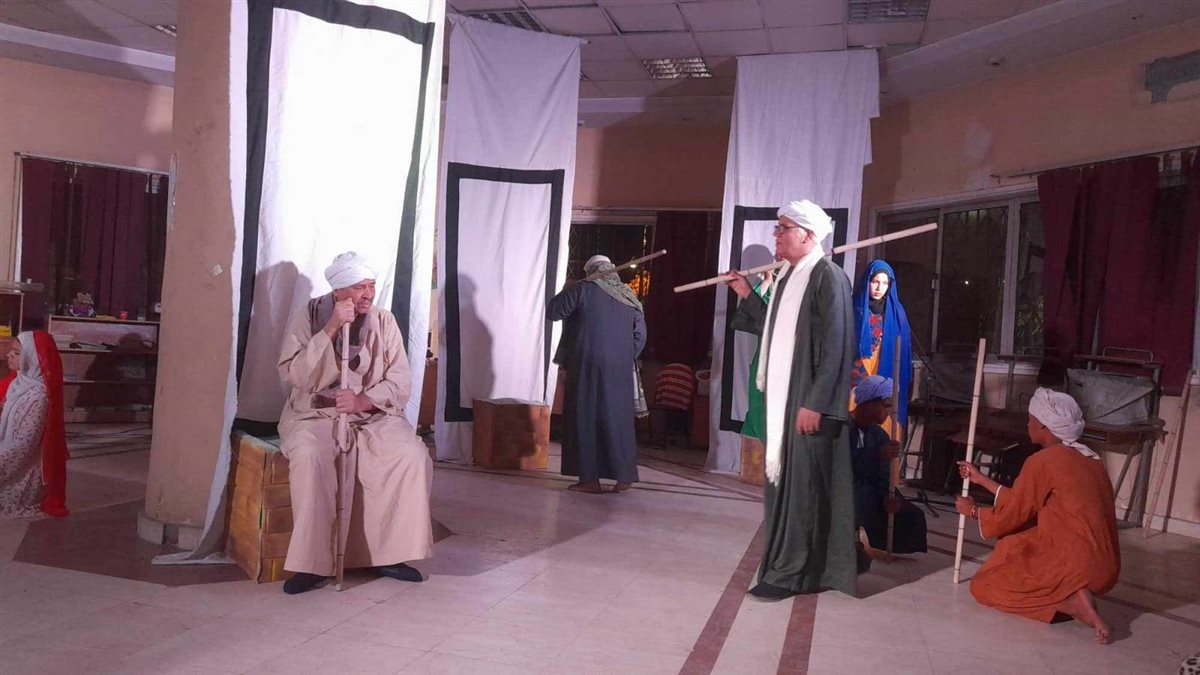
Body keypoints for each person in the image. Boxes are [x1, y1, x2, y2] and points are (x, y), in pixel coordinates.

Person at [277, 252, 433, 595]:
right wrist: (331, 327)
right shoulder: (308, 316)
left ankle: (387, 555)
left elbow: (400, 381)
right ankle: (312, 564)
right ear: (338, 291)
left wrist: (362, 401)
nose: (368, 294)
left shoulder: (384, 321)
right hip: (315, 414)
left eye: (371, 286)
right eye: (360, 287)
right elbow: (296, 375)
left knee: (409, 455)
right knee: (311, 457)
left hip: (371, 415)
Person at [725, 199, 857, 600]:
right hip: (785, 400)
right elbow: (776, 330)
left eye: (784, 228)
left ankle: (794, 573)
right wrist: (746, 293)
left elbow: (837, 344)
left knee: (804, 489)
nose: (776, 234)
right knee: (785, 487)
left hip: (807, 400)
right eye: (777, 227)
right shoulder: (788, 277)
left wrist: (816, 402)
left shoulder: (828, 277)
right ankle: (797, 564)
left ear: (808, 235)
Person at [956, 387, 1120, 644]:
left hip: (1075, 564)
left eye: (1031, 419)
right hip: (1106, 568)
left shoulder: (1043, 461)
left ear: (1043, 424)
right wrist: (981, 479)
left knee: (982, 586)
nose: (1028, 424)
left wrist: (973, 511)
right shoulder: (1092, 460)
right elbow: (1025, 500)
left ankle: (1069, 603)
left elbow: (1013, 514)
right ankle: (1069, 593)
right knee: (1018, 541)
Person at [548, 254, 646, 494]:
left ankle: (590, 480)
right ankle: (624, 476)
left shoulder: (581, 289)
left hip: (586, 365)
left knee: (585, 418)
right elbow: (640, 336)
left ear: (590, 271)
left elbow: (554, 312)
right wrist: (621, 356)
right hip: (619, 370)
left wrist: (567, 289)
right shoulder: (628, 296)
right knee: (618, 419)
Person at [850, 375, 926, 555]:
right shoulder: (842, 428)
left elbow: (882, 475)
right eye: (886, 405)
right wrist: (876, 456)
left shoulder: (879, 435)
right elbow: (842, 467)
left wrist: (890, 496)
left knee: (912, 515)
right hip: (846, 488)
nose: (890, 412)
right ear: (868, 403)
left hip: (872, 488)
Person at [0, 331, 68, 518]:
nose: (8, 355)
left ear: (31, 358)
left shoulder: (38, 397)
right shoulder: (19, 384)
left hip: (21, 472)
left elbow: (23, 447)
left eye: (16, 353)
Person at [849, 260, 912, 437]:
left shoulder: (897, 313)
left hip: (885, 378)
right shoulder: (853, 308)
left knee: (884, 432)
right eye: (875, 281)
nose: (879, 287)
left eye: (885, 283)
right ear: (867, 281)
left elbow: (903, 352)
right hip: (856, 380)